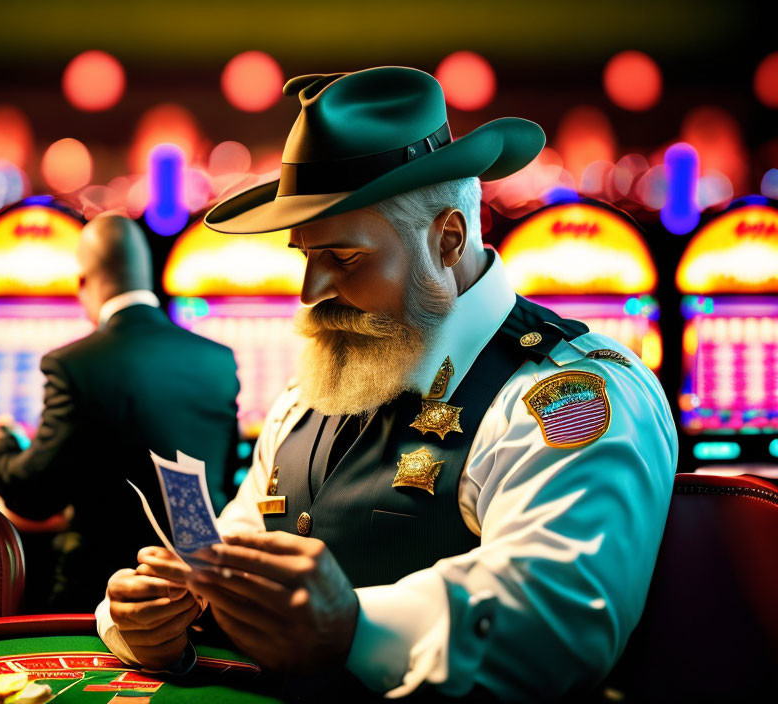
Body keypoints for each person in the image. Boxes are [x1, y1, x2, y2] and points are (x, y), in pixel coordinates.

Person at [95, 68, 677, 700]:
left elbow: (559, 623)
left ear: (447, 239)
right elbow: (231, 557)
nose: (309, 294)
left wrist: (352, 626)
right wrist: (148, 620)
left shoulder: (572, 390)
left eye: (342, 258)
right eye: (305, 256)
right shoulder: (311, 393)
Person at [0, 213, 241, 612]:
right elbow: (224, 473)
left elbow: (36, 496)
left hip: (104, 593)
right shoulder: (217, 360)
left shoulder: (72, 364)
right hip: (202, 591)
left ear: (83, 281)